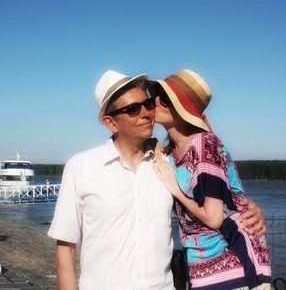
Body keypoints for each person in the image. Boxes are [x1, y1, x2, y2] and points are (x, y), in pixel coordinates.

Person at [48, 69, 266, 290]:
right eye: (133, 109)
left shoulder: (165, 164)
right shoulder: (82, 167)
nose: (146, 113)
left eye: (148, 103)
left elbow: (209, 196)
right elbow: (65, 246)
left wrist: (250, 209)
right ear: (111, 123)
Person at [151, 69, 271, 290]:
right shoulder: (170, 155)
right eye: (155, 94)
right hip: (202, 264)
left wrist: (176, 190)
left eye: (165, 99)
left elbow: (214, 218)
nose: (155, 101)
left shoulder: (205, 144)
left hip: (233, 262)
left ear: (182, 108)